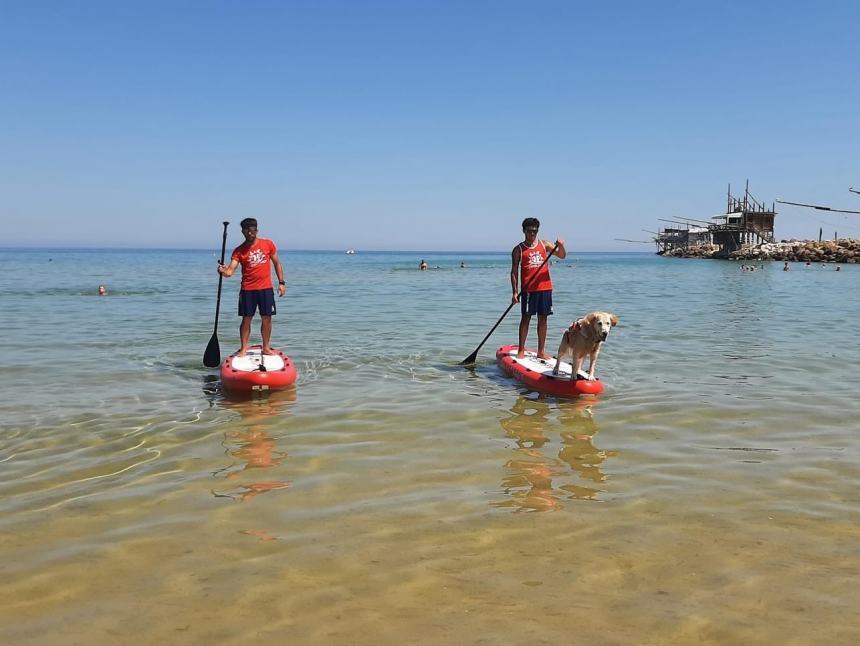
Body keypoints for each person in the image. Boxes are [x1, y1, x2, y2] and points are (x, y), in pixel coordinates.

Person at [217, 218, 286, 356]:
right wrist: (223, 271)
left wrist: (282, 283)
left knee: (267, 318)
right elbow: (230, 271)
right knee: (246, 319)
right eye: (247, 230)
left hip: (266, 289)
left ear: (256, 230)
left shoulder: (268, 244)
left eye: (253, 230)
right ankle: (243, 348)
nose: (250, 233)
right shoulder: (239, 251)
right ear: (243, 232)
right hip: (247, 290)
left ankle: (266, 347)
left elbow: (277, 263)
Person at [511, 217, 566, 359]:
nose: (532, 234)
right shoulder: (518, 249)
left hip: (545, 288)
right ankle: (521, 350)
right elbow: (514, 271)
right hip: (528, 290)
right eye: (529, 231)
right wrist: (515, 292)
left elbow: (562, 256)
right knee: (526, 318)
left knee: (543, 319)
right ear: (524, 231)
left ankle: (541, 351)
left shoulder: (545, 244)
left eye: (535, 231)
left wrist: (561, 246)